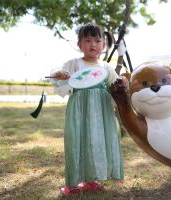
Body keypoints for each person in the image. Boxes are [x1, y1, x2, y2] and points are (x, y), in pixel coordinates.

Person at [52, 23, 124, 197]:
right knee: (77, 141)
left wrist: (123, 83)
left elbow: (116, 84)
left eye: (97, 40)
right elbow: (57, 75)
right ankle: (73, 183)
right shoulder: (74, 64)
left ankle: (92, 179)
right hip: (79, 111)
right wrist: (59, 75)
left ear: (104, 45)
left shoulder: (106, 68)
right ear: (80, 44)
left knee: (97, 142)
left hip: (102, 113)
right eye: (88, 40)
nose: (93, 44)